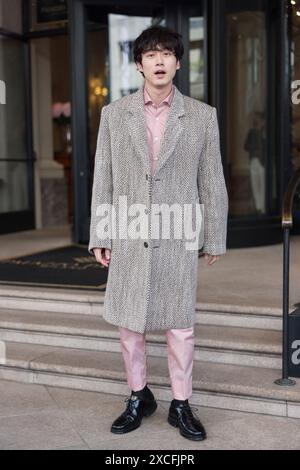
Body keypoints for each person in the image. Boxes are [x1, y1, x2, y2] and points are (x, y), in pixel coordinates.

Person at [88, 25, 228, 442]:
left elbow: (212, 180)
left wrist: (214, 236)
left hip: (177, 233)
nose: (160, 61)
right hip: (129, 234)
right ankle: (138, 396)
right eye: (151, 55)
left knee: (179, 325)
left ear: (179, 62)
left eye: (167, 54)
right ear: (139, 64)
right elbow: (103, 179)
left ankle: (181, 403)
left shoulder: (202, 116)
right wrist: (102, 234)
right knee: (130, 326)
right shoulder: (114, 114)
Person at [244, 111, 266, 214]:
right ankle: (259, 207)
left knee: (262, 184)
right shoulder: (252, 132)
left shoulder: (265, 132)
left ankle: (262, 207)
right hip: (255, 160)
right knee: (255, 184)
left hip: (263, 162)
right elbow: (246, 146)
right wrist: (254, 150)